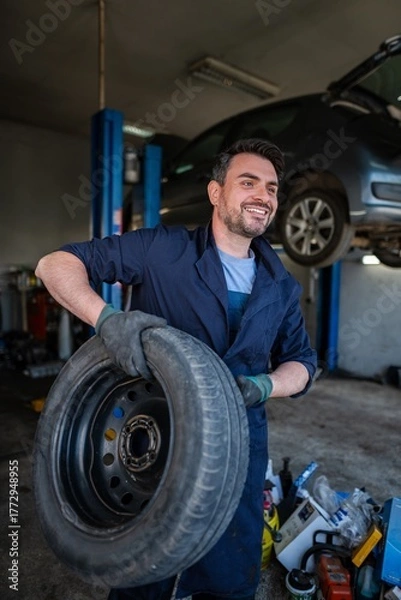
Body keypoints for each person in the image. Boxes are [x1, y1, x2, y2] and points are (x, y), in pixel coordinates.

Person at [35, 138, 317, 600]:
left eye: (271, 188)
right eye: (248, 182)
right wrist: (109, 320)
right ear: (215, 192)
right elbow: (56, 264)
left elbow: (303, 365)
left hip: (237, 450)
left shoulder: (280, 285)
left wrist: (262, 385)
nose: (264, 196)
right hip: (148, 440)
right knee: (143, 577)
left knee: (226, 582)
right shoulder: (163, 248)